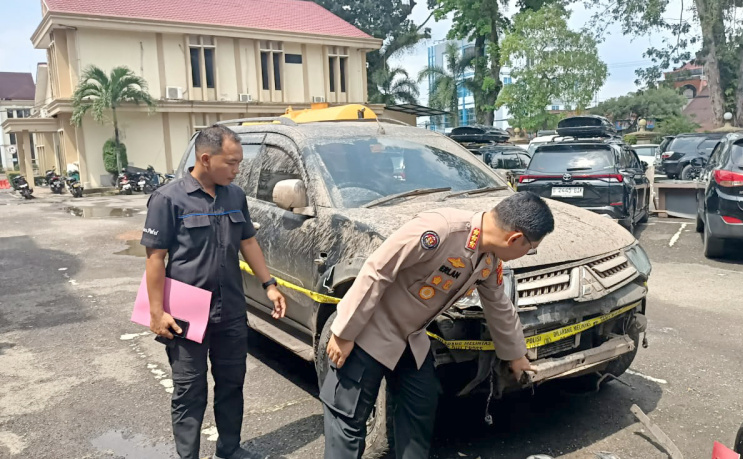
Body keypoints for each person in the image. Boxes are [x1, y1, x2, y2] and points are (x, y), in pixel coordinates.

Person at [321, 191, 555, 458]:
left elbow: (498, 304)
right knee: (347, 422)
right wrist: (344, 332)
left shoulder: (488, 258)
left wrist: (516, 355)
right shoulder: (440, 230)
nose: (528, 253)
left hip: (412, 339)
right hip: (368, 332)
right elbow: (377, 270)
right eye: (530, 247)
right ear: (514, 238)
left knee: (419, 411)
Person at [141, 125, 287, 459]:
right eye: (231, 163)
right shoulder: (168, 199)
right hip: (186, 310)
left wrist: (269, 284)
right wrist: (156, 312)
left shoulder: (235, 196)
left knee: (232, 383)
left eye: (239, 163)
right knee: (189, 390)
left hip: (231, 307)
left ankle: (229, 448)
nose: (237, 170)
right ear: (206, 159)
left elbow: (248, 241)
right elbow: (155, 258)